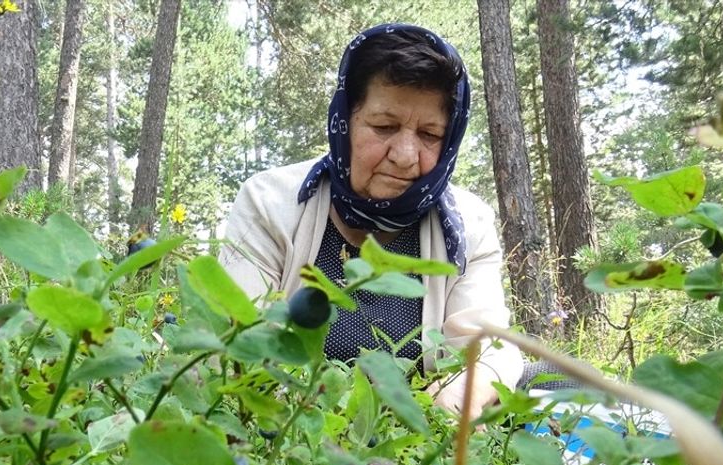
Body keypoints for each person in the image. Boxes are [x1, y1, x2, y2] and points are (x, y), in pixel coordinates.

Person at [219, 23, 523, 418]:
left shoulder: (469, 225)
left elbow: (485, 348)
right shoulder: (270, 202)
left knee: (562, 380)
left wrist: (456, 401)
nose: (405, 154)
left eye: (430, 134)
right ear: (345, 120)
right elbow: (239, 337)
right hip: (297, 418)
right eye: (384, 127)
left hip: (415, 422)